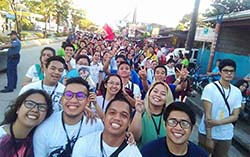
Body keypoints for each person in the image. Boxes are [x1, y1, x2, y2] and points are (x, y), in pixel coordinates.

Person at [33, 77, 104, 157]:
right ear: (62, 98)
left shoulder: (97, 127)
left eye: (80, 96)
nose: (73, 100)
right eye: (68, 95)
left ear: (87, 101)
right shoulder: (44, 128)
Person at [198, 59, 242, 157]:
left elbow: (235, 116)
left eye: (231, 71)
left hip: (226, 135)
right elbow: (207, 116)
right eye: (225, 70)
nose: (229, 73)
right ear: (220, 72)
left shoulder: (237, 92)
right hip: (207, 133)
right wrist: (209, 138)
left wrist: (217, 122)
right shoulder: (210, 88)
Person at [72, 97, 142, 157]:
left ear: (129, 122)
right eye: (112, 113)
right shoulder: (84, 143)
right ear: (104, 117)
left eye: (123, 115)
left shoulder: (133, 154)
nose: (117, 118)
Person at [141, 102, 208, 157]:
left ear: (192, 128)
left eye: (184, 123)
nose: (178, 128)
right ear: (165, 125)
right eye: (173, 122)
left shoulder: (201, 155)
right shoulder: (148, 152)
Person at [0, 89, 53, 157]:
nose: (35, 110)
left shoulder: (38, 141)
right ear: (18, 109)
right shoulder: (1, 135)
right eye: (30, 104)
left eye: (42, 107)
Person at [129, 81, 174, 148]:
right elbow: (134, 137)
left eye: (163, 94)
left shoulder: (170, 117)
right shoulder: (140, 113)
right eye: (155, 91)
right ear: (149, 93)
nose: (158, 95)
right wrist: (138, 112)